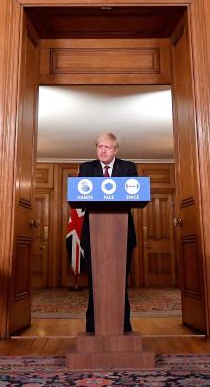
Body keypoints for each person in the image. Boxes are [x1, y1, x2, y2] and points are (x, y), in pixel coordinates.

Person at [79, 132, 137, 333]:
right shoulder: (87, 168)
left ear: (115, 150)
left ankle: (123, 326)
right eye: (99, 147)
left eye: (107, 147)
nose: (102, 150)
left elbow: (134, 196)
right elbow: (81, 198)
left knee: (120, 283)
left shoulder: (128, 168)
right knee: (95, 283)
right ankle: (93, 327)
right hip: (93, 235)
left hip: (122, 235)